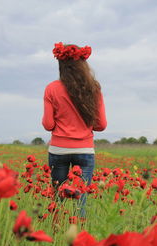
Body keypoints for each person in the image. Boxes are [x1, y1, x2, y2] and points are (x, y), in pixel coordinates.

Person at [42, 42, 107, 217]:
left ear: (61, 65)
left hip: (58, 149)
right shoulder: (94, 88)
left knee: (58, 200)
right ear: (83, 65)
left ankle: (57, 234)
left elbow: (48, 125)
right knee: (80, 201)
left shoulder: (51, 88)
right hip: (84, 150)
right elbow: (101, 125)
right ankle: (79, 238)